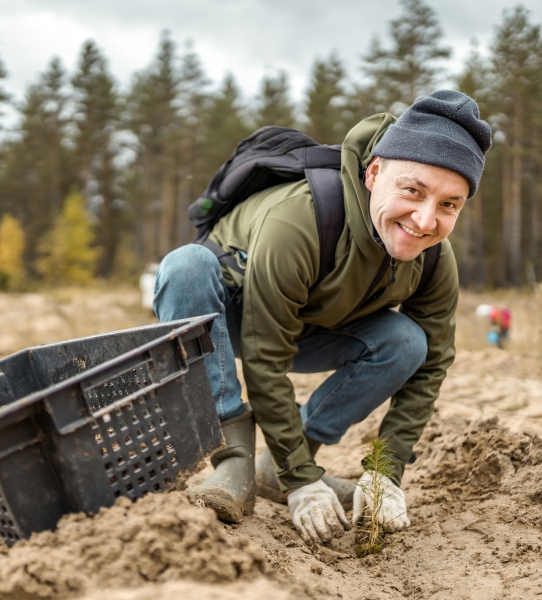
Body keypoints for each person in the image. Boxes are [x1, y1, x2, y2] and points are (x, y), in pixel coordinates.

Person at [153, 90, 492, 546]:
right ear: (374, 173)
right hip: (229, 319)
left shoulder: (433, 258)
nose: (425, 220)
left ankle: (277, 467)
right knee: (184, 266)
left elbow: (430, 367)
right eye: (413, 191)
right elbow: (263, 354)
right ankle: (234, 458)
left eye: (449, 204)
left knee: (409, 342)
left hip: (313, 327)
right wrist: (304, 483)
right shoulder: (299, 219)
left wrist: (383, 473)